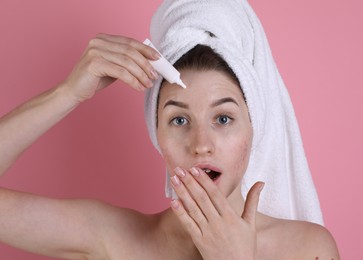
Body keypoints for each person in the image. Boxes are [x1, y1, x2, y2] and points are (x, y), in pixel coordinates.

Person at [0, 1, 340, 260]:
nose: (201, 145)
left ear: (254, 129)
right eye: (179, 120)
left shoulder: (306, 248)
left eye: (223, 118)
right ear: (156, 133)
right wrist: (68, 93)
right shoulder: (115, 238)